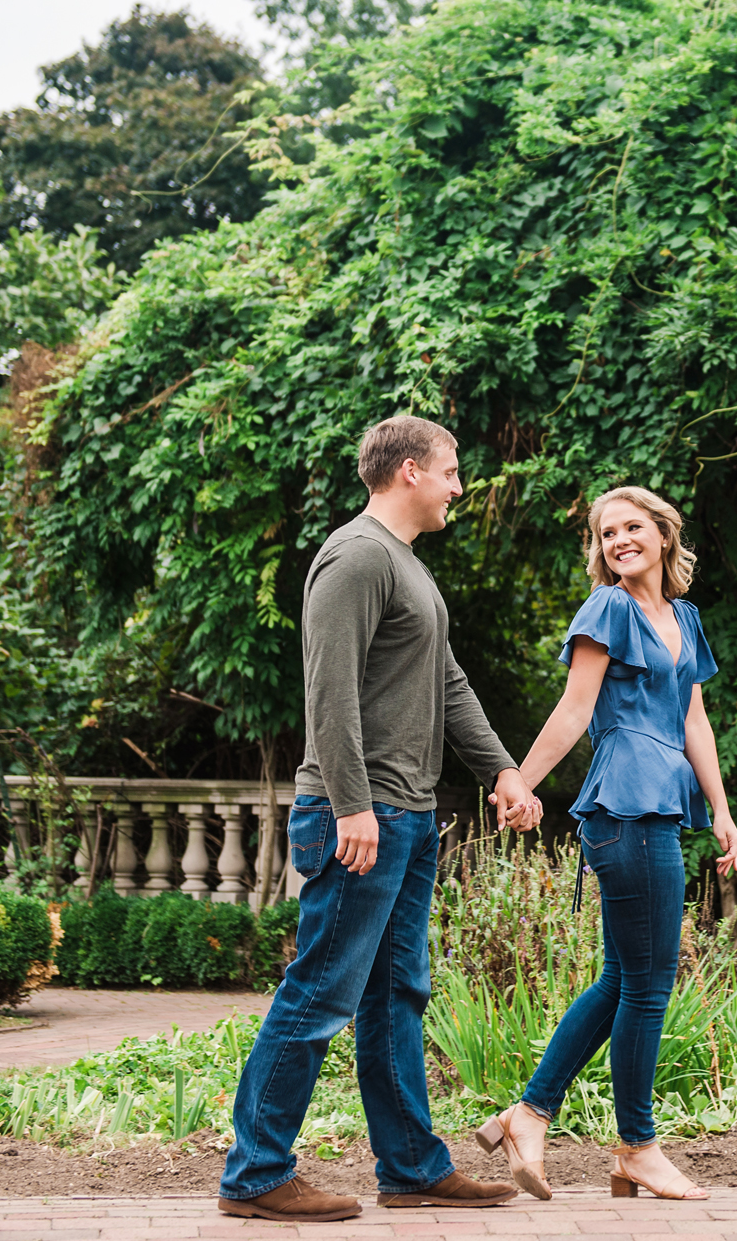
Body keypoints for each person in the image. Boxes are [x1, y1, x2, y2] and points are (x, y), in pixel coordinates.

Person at [217, 415, 532, 1222]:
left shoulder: (409, 569)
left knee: (396, 995)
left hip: (409, 812)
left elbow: (448, 682)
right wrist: (353, 802)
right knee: (321, 991)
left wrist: (501, 769)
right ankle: (255, 1175)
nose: (460, 487)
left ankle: (413, 1168)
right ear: (410, 472)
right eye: (452, 471)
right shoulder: (357, 557)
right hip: (362, 812)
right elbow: (328, 691)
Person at [472, 484, 737, 1203]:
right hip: (623, 804)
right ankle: (636, 1147)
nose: (619, 540)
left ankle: (529, 1115)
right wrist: (519, 784)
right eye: (606, 532)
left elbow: (695, 723)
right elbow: (575, 707)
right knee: (650, 985)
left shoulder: (683, 616)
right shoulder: (609, 609)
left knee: (625, 980)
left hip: (661, 806)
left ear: (662, 534)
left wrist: (720, 809)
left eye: (632, 527)